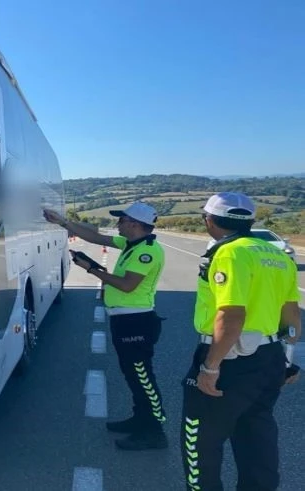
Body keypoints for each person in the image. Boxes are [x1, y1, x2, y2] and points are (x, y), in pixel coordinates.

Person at [181, 192, 301, 491]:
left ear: (209, 220)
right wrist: (286, 360)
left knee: (201, 443)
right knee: (256, 438)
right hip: (269, 357)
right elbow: (292, 317)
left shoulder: (228, 252)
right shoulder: (276, 255)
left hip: (231, 359)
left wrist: (210, 368)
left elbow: (231, 314)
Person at [44, 201, 168, 450]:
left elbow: (126, 285)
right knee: (132, 375)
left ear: (134, 224)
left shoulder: (148, 251)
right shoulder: (132, 244)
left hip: (136, 322)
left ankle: (154, 431)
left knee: (143, 378)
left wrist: (91, 268)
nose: (117, 224)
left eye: (121, 220)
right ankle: (140, 419)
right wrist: (63, 222)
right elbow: (96, 237)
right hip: (125, 320)